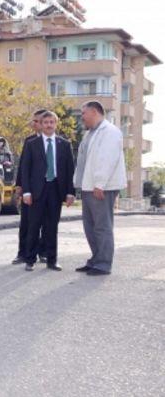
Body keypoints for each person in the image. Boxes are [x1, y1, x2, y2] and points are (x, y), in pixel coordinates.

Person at [73, 101, 127, 276]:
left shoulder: (110, 132)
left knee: (102, 226)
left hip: (101, 187)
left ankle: (103, 264)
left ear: (95, 112)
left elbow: (107, 159)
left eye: (84, 113)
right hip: (89, 186)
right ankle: (96, 259)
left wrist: (99, 184)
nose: (82, 117)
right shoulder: (90, 133)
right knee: (90, 226)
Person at [20, 110, 75, 272]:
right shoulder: (31, 144)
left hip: (55, 190)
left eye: (52, 122)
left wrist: (70, 192)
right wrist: (26, 192)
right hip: (36, 191)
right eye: (46, 122)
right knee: (33, 226)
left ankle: (52, 260)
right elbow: (25, 169)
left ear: (56, 124)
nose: (49, 125)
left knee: (52, 227)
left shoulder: (64, 145)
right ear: (41, 125)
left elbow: (70, 170)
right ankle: (29, 259)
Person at [12, 109, 48, 265]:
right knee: (26, 223)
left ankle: (44, 252)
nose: (33, 123)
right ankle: (23, 253)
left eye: (36, 121)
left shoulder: (57, 141)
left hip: (48, 190)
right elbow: (23, 165)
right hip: (30, 189)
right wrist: (19, 185)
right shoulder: (29, 140)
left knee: (46, 223)